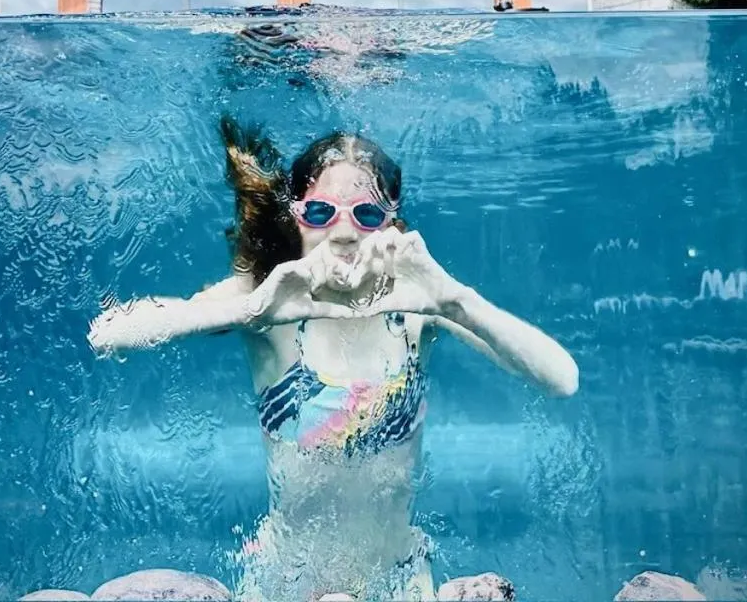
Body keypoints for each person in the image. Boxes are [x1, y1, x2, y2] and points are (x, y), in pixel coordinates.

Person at [88, 117, 578, 600]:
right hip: (284, 576)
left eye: (365, 214)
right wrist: (251, 309)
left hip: (398, 577)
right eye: (321, 213)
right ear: (294, 214)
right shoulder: (267, 296)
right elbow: (108, 334)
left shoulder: (416, 305)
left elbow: (562, 379)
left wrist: (456, 302)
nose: (344, 233)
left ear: (391, 221)